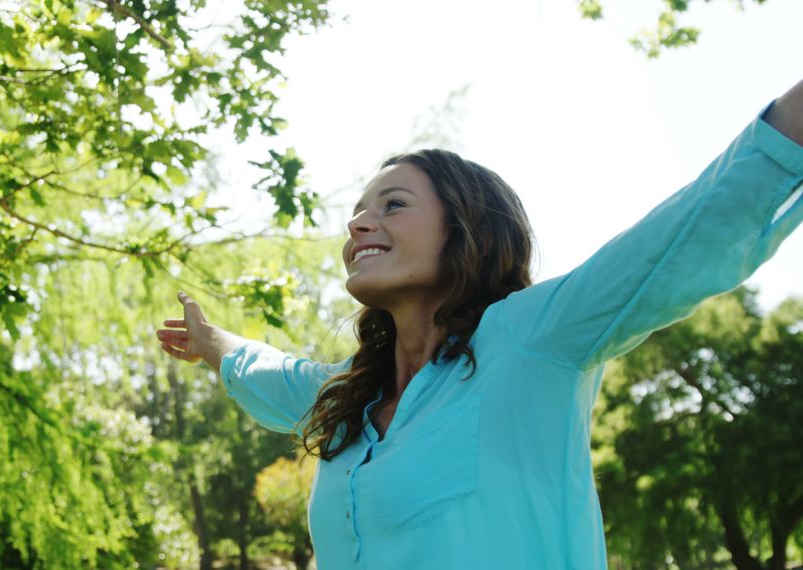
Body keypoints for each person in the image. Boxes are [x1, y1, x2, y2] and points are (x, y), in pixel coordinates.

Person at [155, 78, 803, 568]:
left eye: (393, 204)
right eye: (356, 210)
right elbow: (276, 376)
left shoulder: (533, 339)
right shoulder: (349, 401)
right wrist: (214, 343)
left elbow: (682, 236)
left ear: (465, 229)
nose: (357, 223)